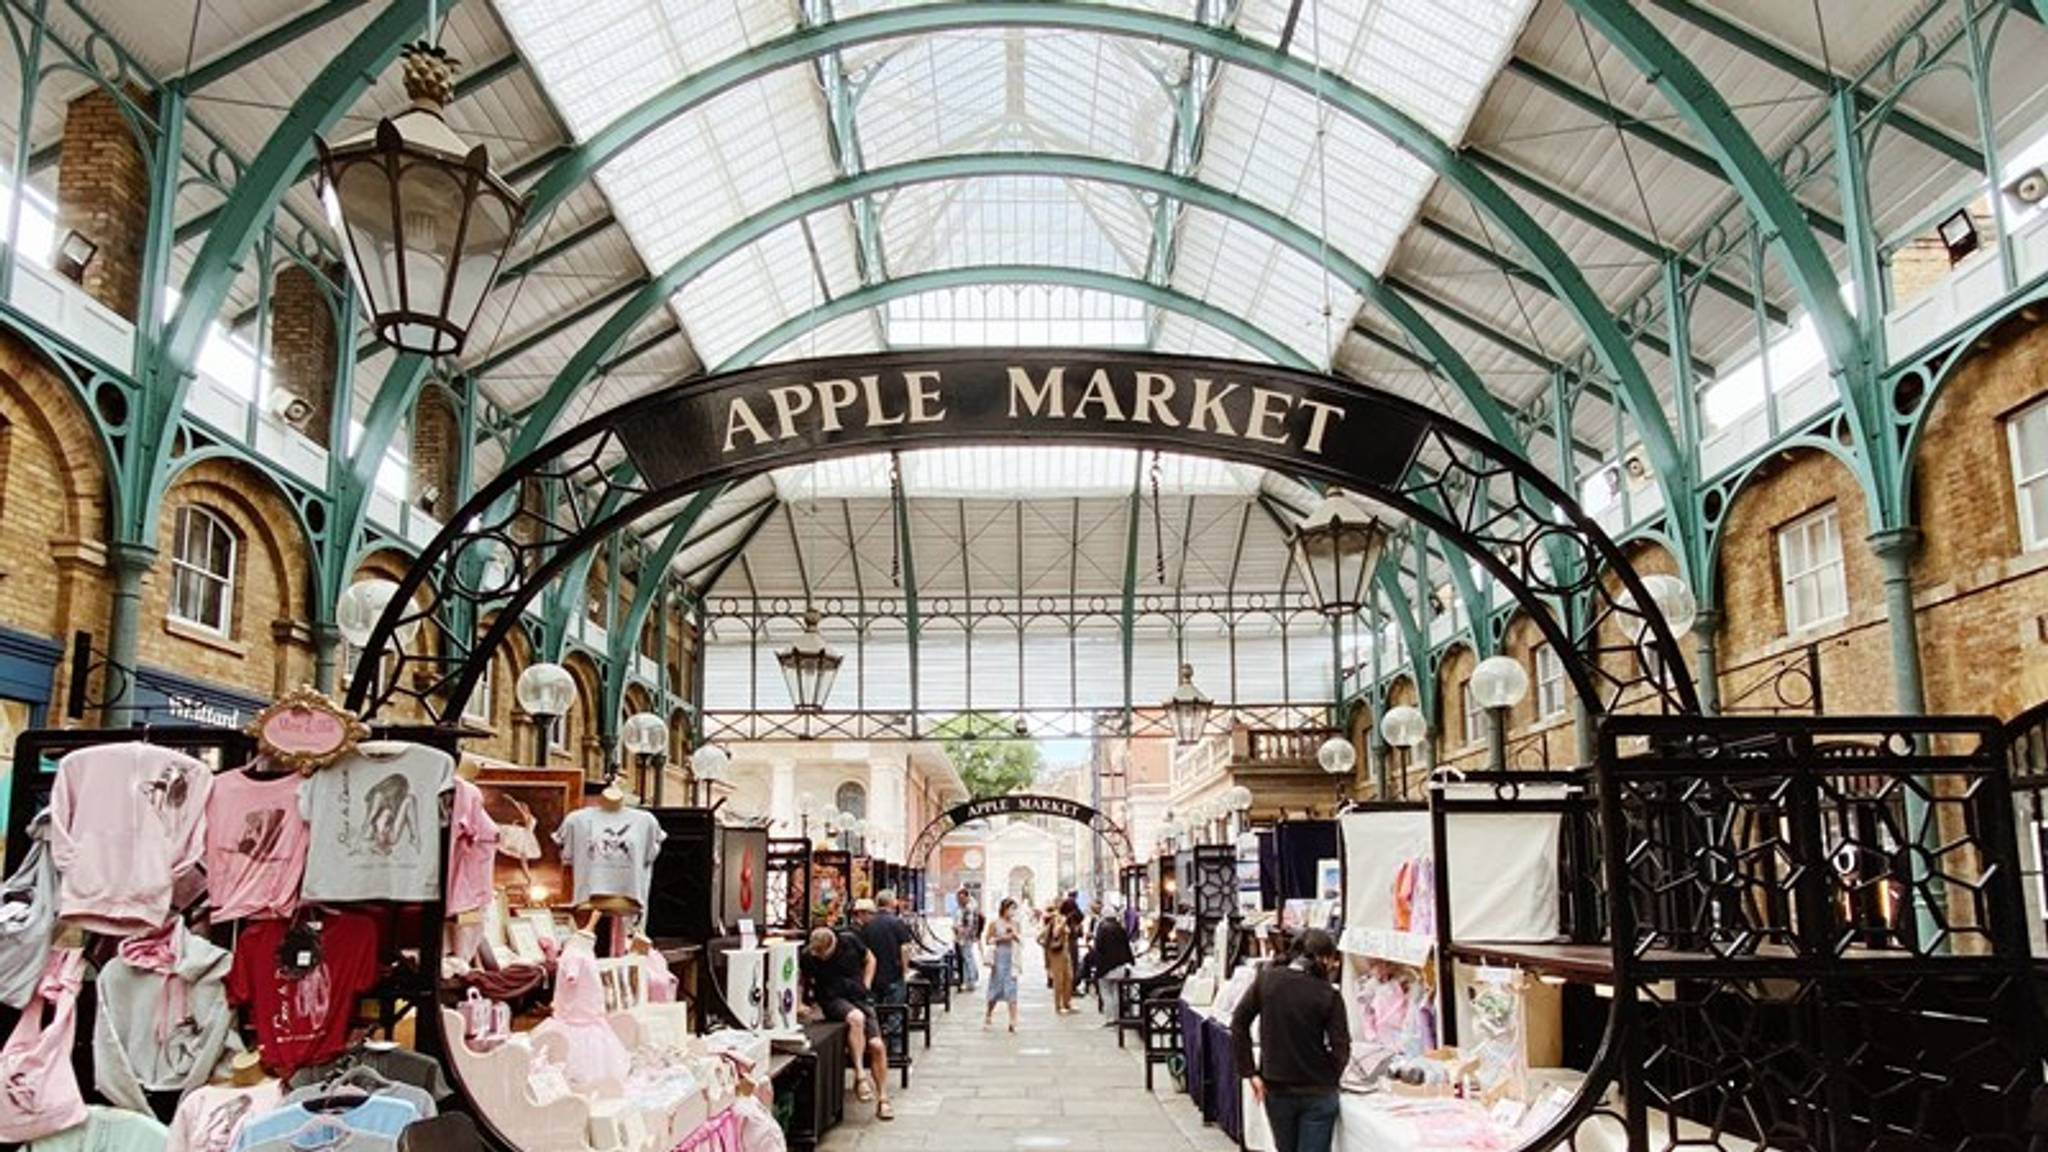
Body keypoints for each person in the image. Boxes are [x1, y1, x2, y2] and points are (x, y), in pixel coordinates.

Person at [1230, 929, 1348, 1152]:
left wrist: (1249, 1071)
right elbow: (1341, 1046)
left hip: (1277, 1085)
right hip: (1317, 1089)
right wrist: (1331, 1075)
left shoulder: (1267, 980)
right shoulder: (1328, 994)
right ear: (1324, 958)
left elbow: (1239, 1022)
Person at [798, 926, 894, 1121]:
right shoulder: (809, 956)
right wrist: (799, 1002)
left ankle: (883, 1098)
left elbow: (870, 958)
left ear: (833, 944)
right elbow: (801, 979)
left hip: (858, 996)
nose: (821, 958)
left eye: (824, 954)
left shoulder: (850, 941)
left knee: (877, 1045)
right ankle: (860, 1075)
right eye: (818, 954)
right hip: (832, 999)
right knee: (856, 1018)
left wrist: (866, 984)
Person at [859, 891, 916, 1006]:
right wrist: (905, 970)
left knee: (875, 1009)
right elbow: (905, 948)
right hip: (893, 974)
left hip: (874, 976)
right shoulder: (897, 923)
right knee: (895, 1010)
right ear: (892, 903)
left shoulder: (867, 924)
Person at [1088, 899, 1136, 1020]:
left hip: (1105, 967)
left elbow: (1098, 948)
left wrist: (1095, 964)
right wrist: (1131, 962)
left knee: (1106, 992)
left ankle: (1109, 1017)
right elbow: (1127, 946)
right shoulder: (1120, 928)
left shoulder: (1101, 929)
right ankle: (1117, 1016)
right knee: (1116, 992)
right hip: (1120, 966)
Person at [982, 897, 1022, 1033]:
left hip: (1012, 958)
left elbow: (1020, 940)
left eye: (1014, 909)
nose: (1012, 911)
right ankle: (988, 1014)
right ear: (1004, 909)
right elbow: (988, 940)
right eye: (1011, 908)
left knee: (1012, 989)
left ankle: (1013, 1020)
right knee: (996, 988)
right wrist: (1001, 938)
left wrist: (1014, 936)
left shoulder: (1016, 924)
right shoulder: (994, 923)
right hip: (999, 958)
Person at [1041, 907, 1075, 1014]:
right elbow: (1054, 933)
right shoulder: (1053, 923)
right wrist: (1049, 947)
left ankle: (1067, 1003)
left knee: (1069, 977)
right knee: (1058, 980)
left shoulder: (1062, 922)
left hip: (1065, 953)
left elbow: (1068, 931)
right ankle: (1058, 1006)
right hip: (1056, 954)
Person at [953, 888, 982, 992]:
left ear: (966, 897)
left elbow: (968, 925)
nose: (959, 900)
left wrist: (960, 934)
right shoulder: (966, 907)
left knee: (967, 958)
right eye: (958, 898)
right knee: (967, 957)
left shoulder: (968, 908)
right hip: (965, 936)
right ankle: (970, 979)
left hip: (965, 937)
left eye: (961, 898)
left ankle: (971, 980)